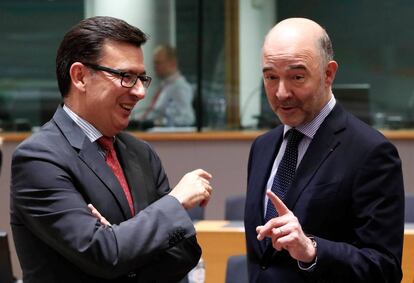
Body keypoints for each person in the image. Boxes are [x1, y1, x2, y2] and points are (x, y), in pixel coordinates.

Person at [10, 16, 213, 283]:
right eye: (126, 76)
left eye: (142, 78)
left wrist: (120, 241)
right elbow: (103, 254)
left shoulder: (141, 153)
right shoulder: (39, 158)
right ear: (80, 77)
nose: (140, 92)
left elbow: (183, 252)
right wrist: (173, 204)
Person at [244, 17, 404, 283]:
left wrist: (311, 250)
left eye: (297, 77)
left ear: (328, 73)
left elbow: (384, 268)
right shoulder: (262, 146)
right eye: (271, 77)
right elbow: (262, 260)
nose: (281, 93)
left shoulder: (371, 152)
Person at [140, 45, 195, 127]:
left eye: (158, 63)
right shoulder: (165, 85)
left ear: (173, 63)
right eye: (154, 63)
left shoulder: (180, 87)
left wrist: (160, 123)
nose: (155, 67)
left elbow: (188, 118)